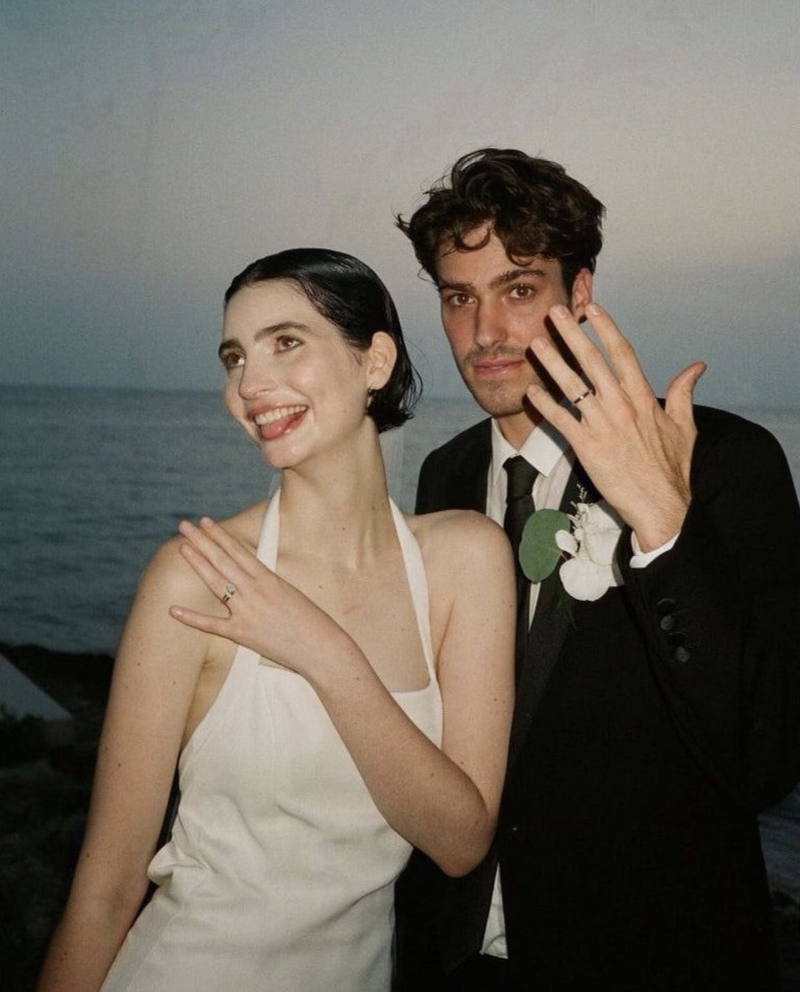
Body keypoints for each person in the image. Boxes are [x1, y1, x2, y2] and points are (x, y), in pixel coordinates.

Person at [36, 248, 516, 992]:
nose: (249, 385)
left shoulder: (465, 559)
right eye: (235, 358)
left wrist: (323, 652)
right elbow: (105, 888)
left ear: (375, 361)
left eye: (285, 342)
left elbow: (460, 841)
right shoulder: (197, 576)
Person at [393, 148, 800, 991]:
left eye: (518, 290)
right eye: (459, 298)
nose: (485, 332)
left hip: (649, 960)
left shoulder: (724, 460)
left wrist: (664, 520)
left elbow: (765, 762)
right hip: (458, 954)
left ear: (580, 294)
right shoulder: (445, 474)